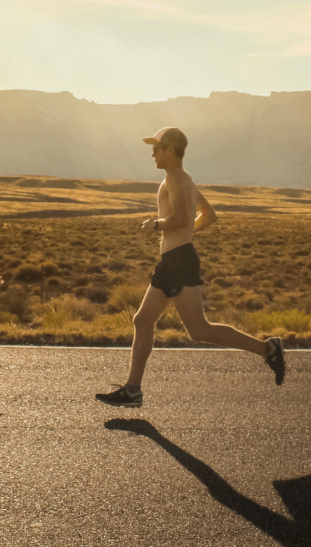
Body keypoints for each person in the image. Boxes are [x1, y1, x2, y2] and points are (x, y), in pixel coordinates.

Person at [95, 127, 285, 408]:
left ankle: (267, 349)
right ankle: (133, 389)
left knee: (198, 330)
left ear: (170, 150)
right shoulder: (185, 179)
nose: (152, 153)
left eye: (157, 148)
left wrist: (156, 225)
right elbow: (208, 216)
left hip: (179, 261)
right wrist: (185, 235)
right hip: (175, 259)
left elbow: (182, 217)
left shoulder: (175, 179)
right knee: (145, 320)